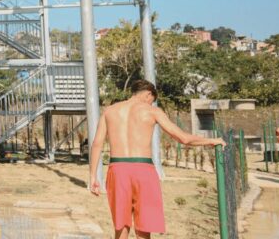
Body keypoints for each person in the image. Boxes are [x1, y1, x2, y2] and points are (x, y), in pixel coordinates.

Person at [89, 80, 225, 238]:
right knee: (144, 227)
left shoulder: (110, 111)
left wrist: (93, 176)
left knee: (121, 225)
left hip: (118, 169)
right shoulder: (152, 111)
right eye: (152, 100)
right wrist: (212, 141)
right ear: (148, 94)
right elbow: (183, 138)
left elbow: (97, 144)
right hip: (143, 170)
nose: (151, 103)